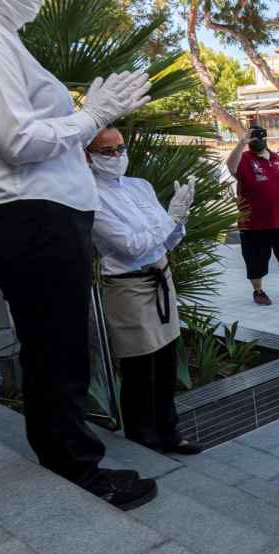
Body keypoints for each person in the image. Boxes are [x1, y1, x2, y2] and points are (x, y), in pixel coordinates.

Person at [0, 0, 158, 509]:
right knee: (58, 352)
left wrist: (86, 115)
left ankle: (68, 457)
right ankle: (76, 469)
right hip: (29, 217)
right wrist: (93, 117)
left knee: (54, 348)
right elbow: (18, 140)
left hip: (37, 216)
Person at [86, 127, 202, 456]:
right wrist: (169, 218)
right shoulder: (91, 196)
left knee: (166, 360)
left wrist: (179, 219)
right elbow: (130, 246)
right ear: (88, 156)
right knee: (139, 366)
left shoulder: (140, 186)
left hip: (160, 277)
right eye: (106, 151)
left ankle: (170, 431)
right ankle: (142, 437)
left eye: (120, 148)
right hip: (129, 286)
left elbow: (166, 240)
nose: (117, 156)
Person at [226, 124, 279, 304]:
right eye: (252, 137)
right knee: (256, 259)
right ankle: (258, 291)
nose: (256, 140)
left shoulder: (277, 159)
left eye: (259, 136)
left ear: (265, 138)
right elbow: (231, 167)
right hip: (254, 223)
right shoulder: (244, 159)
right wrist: (241, 143)